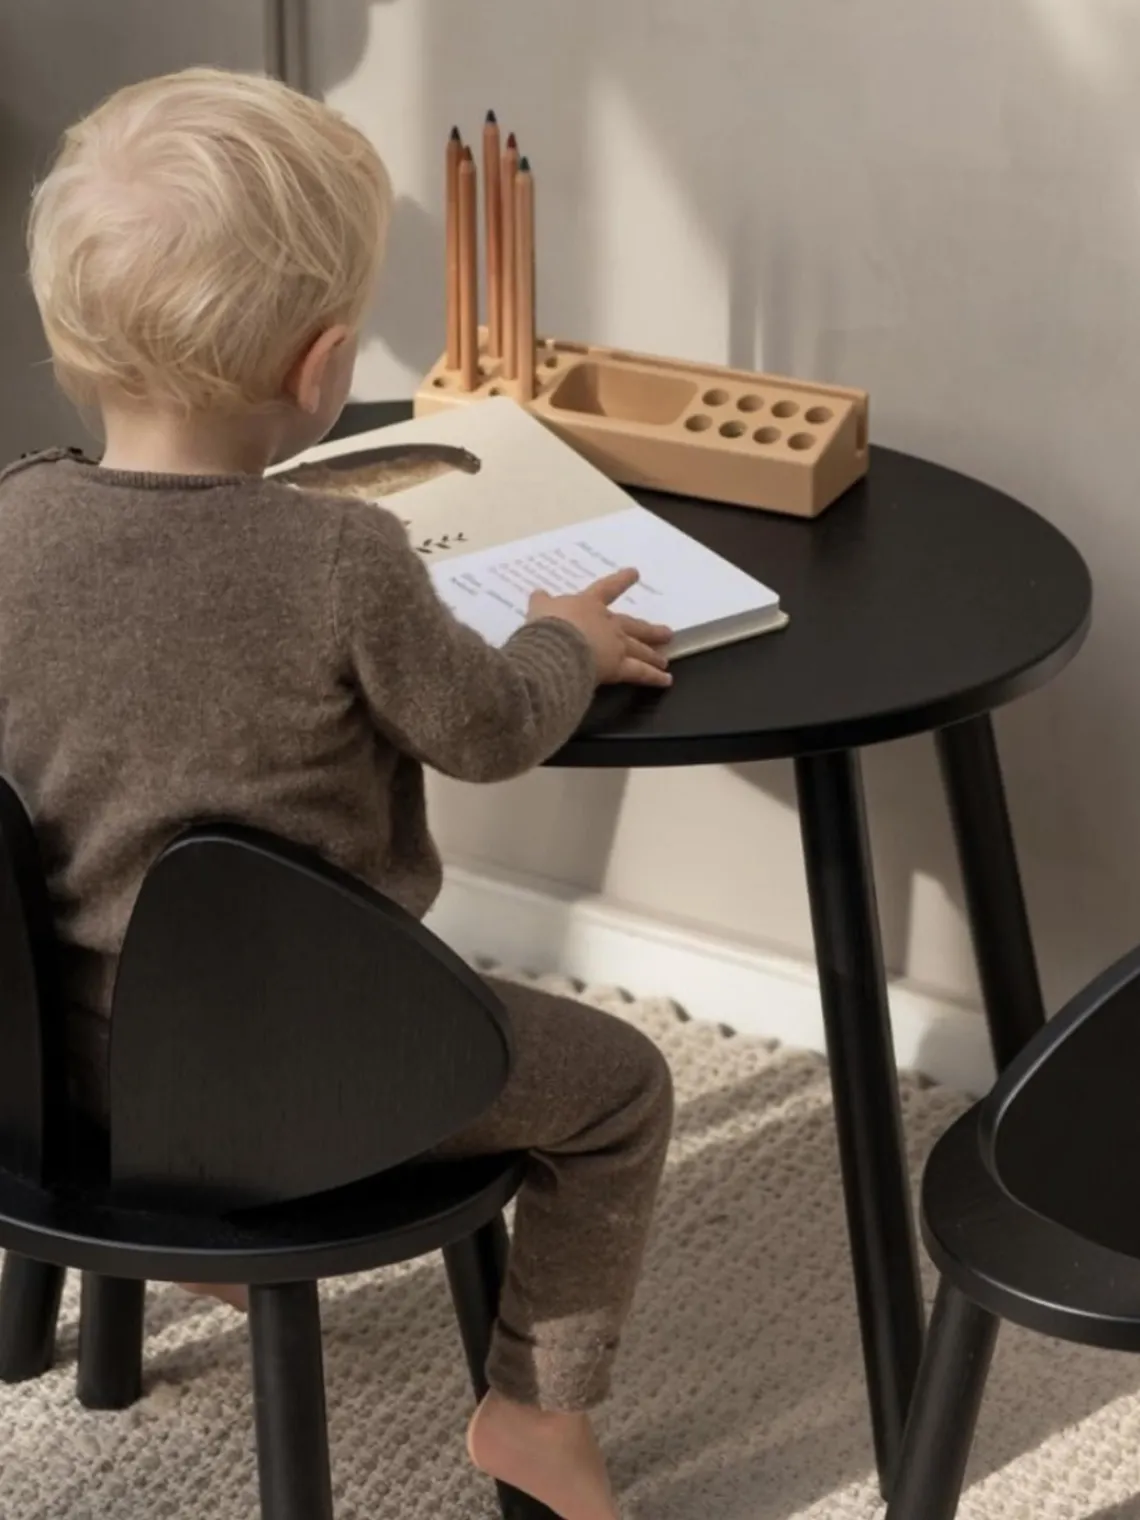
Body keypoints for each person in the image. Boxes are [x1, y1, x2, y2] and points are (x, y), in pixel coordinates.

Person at [0, 68, 674, 1520]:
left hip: (53, 1071)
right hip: (317, 1077)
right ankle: (536, 1416)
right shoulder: (343, 560)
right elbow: (489, 730)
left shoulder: (12, 521)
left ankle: (172, 1238)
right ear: (321, 372)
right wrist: (567, 638)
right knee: (621, 1090)